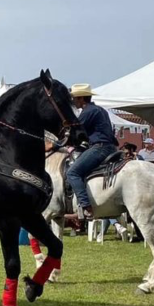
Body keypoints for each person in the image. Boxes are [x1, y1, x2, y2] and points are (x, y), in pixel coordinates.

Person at [65, 84, 120, 223]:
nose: (73, 101)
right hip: (110, 147)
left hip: (100, 147)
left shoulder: (87, 112)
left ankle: (85, 207)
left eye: (74, 98)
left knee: (72, 172)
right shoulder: (100, 110)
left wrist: (56, 144)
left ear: (81, 98)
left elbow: (74, 133)